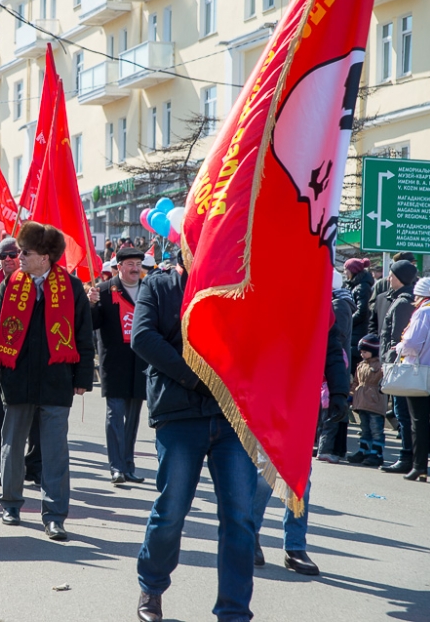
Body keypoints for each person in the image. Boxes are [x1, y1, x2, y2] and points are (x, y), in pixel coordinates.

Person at [130, 254, 257, 622]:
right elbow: (142, 337)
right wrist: (197, 377)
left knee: (240, 516)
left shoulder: (238, 285)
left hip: (232, 416)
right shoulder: (159, 285)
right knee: (171, 509)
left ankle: (234, 611)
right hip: (179, 414)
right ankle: (151, 589)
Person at [0, 222, 95, 542]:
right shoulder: (9, 285)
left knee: (55, 452)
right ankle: (11, 504)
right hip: (16, 380)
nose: (19, 257)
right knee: (12, 445)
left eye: (25, 252)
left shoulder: (71, 288)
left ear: (45, 257)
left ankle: (55, 516)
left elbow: (84, 336)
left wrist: (83, 377)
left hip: (57, 381)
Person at [252, 280, 352, 578]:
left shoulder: (321, 306)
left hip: (303, 400)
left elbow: (333, 351)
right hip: (268, 396)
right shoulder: (269, 294)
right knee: (265, 473)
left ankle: (294, 547)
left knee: (300, 477)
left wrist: (338, 392)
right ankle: (249, 534)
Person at [0, 235, 43, 485]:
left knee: (36, 419)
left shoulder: (39, 284)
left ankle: (34, 466)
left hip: (29, 364)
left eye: (13, 254)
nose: (8, 259)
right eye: (2, 256)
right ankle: (1, 464)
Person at [88, 246, 148, 484]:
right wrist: (91, 305)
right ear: (119, 266)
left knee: (133, 419)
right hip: (114, 363)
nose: (135, 268)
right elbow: (92, 326)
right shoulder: (103, 290)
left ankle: (128, 466)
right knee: (115, 415)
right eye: (130, 264)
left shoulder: (148, 290)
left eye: (138, 264)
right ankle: (116, 467)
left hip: (140, 363)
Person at [380, 259, 418, 474]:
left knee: (402, 413)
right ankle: (408, 456)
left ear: (400, 278)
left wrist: (389, 358)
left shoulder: (403, 302)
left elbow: (397, 337)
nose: (388, 278)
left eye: (392, 275)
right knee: (401, 412)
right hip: (398, 365)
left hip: (400, 367)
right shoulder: (399, 298)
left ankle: (407, 456)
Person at [316, 274, 356, 463]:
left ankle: (327, 448)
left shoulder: (338, 305)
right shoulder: (338, 302)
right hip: (334, 365)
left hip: (335, 367)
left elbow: (334, 343)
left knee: (329, 412)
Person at [398, 276, 430, 481]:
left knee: (418, 422)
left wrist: (400, 348)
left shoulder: (423, 312)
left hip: (419, 376)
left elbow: (411, 342)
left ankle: (419, 466)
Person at [347, 334, 385, 466]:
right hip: (361, 401)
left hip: (374, 401)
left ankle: (377, 453)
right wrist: (351, 394)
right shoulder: (361, 365)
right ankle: (364, 450)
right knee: (364, 427)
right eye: (361, 352)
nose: (362, 354)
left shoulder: (380, 365)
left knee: (375, 428)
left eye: (365, 351)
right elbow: (356, 382)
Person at [344, 257, 375, 366]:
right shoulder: (354, 285)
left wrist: (347, 322)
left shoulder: (362, 287)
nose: (345, 272)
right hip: (355, 330)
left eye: (346, 269)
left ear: (353, 270)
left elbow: (362, 311)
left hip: (358, 331)